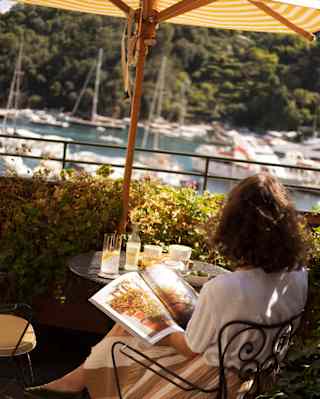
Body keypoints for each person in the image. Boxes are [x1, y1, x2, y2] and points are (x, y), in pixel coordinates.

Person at [25, 173, 309, 399]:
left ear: (235, 231)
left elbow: (190, 349)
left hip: (205, 380)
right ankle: (73, 381)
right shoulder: (298, 275)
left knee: (123, 334)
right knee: (126, 325)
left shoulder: (225, 287)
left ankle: (74, 382)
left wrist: (159, 321)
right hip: (253, 373)